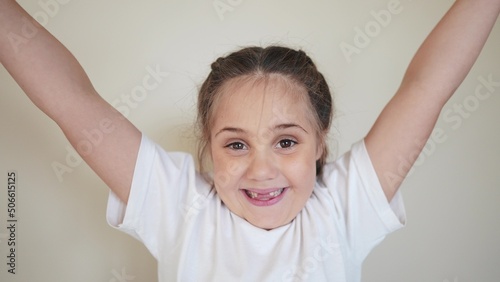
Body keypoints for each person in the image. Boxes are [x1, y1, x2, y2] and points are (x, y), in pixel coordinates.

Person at [1, 0, 498, 281]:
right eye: (236, 145)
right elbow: (70, 100)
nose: (261, 170)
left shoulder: (346, 207)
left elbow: (427, 88)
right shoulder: (177, 205)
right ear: (208, 147)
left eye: (286, 142)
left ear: (320, 143)